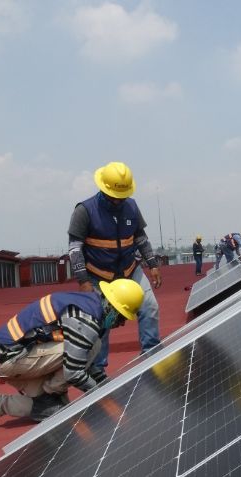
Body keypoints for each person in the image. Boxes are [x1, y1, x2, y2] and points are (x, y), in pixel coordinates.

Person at [0, 279, 144, 436]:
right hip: (11, 358)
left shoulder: (89, 304)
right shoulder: (85, 320)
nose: (122, 323)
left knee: (45, 409)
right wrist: (102, 396)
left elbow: (88, 362)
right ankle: (53, 392)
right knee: (92, 347)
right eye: (121, 316)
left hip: (13, 355)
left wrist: (107, 385)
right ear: (111, 307)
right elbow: (74, 371)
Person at [67, 161, 162, 376]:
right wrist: (83, 281)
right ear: (104, 188)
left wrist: (153, 264)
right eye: (114, 196)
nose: (118, 201)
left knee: (149, 307)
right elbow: (75, 249)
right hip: (98, 275)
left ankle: (152, 353)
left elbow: (140, 238)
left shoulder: (131, 206)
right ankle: (98, 369)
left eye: (122, 196)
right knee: (102, 321)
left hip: (129, 270)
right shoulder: (85, 210)